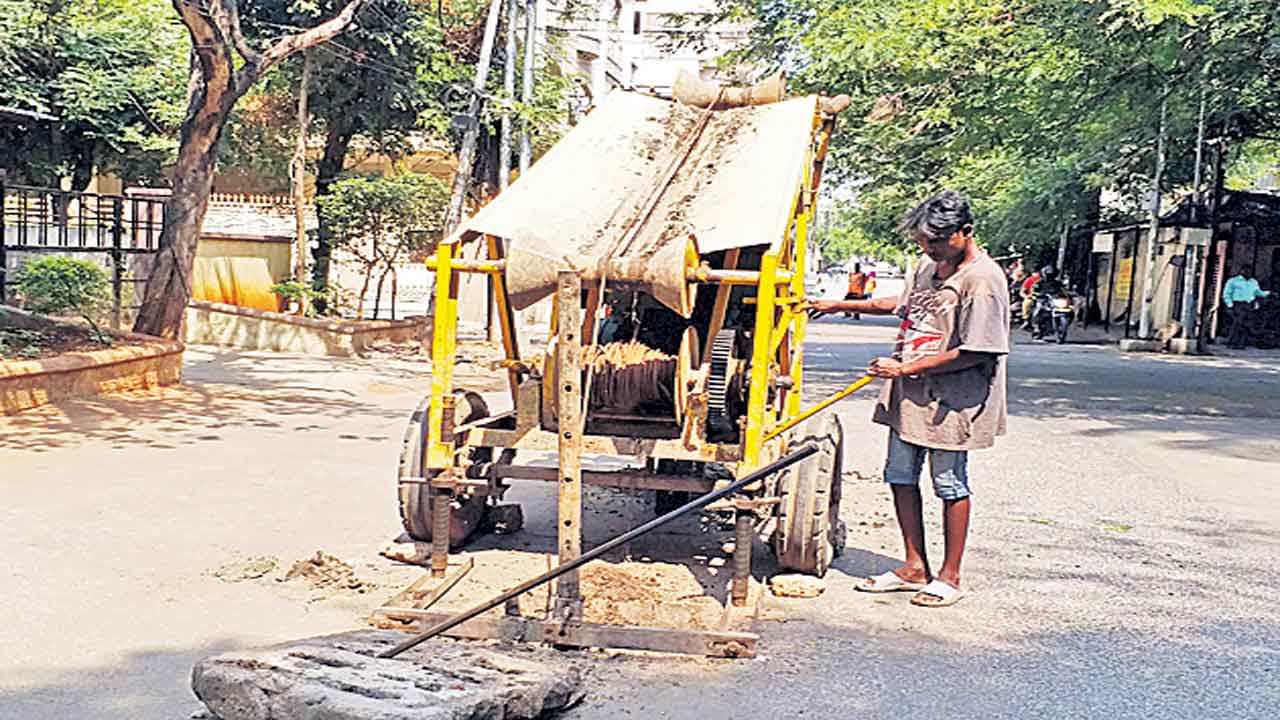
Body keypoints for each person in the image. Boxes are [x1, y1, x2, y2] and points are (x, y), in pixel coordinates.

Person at [810, 190, 1010, 608]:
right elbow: (902, 306)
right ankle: (914, 567)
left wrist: (905, 368)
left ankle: (950, 577)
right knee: (899, 475)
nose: (929, 250)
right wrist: (837, 304)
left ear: (965, 232)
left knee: (949, 483)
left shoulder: (983, 281)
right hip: (911, 396)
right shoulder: (927, 265)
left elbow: (979, 352)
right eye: (923, 243)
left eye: (937, 242)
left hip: (953, 401)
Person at [1222, 267, 1271, 349]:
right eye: (1246, 271)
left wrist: (1268, 293)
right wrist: (1230, 305)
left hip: (1249, 305)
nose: (1248, 273)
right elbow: (1227, 294)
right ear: (1241, 271)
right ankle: (1232, 343)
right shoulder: (1233, 281)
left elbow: (1258, 292)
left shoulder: (1253, 282)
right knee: (1237, 324)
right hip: (1238, 304)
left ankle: (1241, 344)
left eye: (1249, 271)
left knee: (1246, 325)